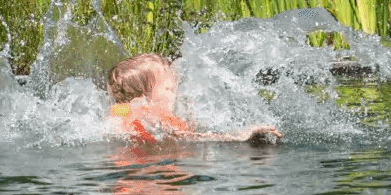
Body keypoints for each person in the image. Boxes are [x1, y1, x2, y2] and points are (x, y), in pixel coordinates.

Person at [106, 53, 281, 145]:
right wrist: (240, 136)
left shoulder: (124, 114)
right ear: (145, 95)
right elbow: (191, 138)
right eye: (169, 88)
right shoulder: (149, 114)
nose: (175, 92)